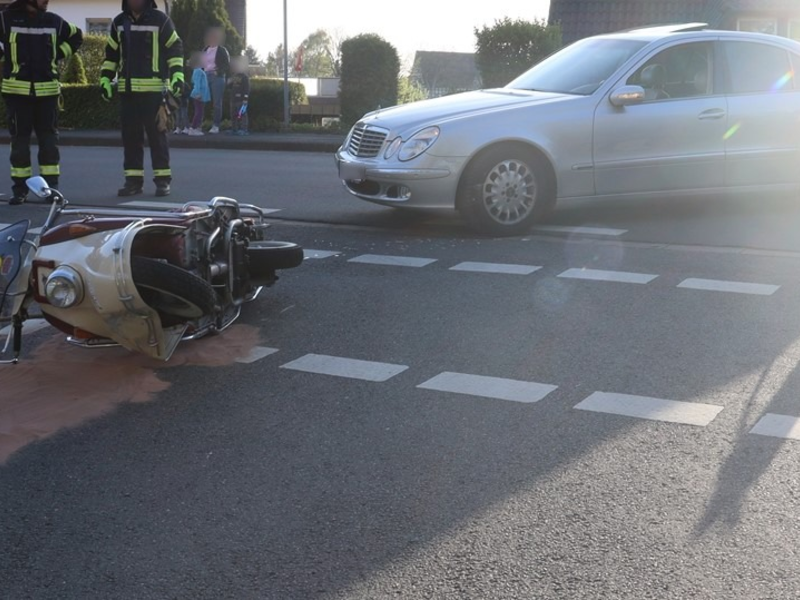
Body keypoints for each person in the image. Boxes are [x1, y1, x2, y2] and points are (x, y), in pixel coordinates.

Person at [0, 0, 82, 205]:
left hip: (48, 94)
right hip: (17, 93)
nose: (46, 0)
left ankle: (50, 189)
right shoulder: (5, 19)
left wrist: (57, 54)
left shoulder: (54, 21)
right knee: (20, 144)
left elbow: (77, 36)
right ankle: (20, 189)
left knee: (49, 143)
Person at [100, 0, 184, 197]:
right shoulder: (118, 22)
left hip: (154, 92)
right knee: (131, 139)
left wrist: (177, 75)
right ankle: (133, 182)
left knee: (158, 138)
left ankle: (162, 181)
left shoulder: (161, 20)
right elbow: (111, 55)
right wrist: (105, 78)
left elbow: (175, 48)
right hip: (128, 93)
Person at [202, 26, 230, 134]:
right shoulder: (205, 50)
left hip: (216, 77)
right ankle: (201, 123)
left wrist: (218, 72)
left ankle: (216, 125)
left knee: (217, 103)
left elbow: (226, 65)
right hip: (205, 76)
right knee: (202, 100)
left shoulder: (222, 50)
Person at [188, 52, 210, 136]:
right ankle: (193, 128)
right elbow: (197, 83)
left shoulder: (199, 71)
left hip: (201, 95)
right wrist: (198, 93)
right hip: (199, 95)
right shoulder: (198, 71)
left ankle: (197, 127)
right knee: (199, 112)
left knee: (200, 111)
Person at [227, 56, 250, 136]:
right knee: (233, 115)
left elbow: (246, 89)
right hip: (233, 99)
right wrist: (229, 82)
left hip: (241, 100)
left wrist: (245, 99)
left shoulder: (244, 77)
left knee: (242, 114)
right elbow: (230, 87)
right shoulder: (234, 77)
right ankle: (234, 129)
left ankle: (244, 129)